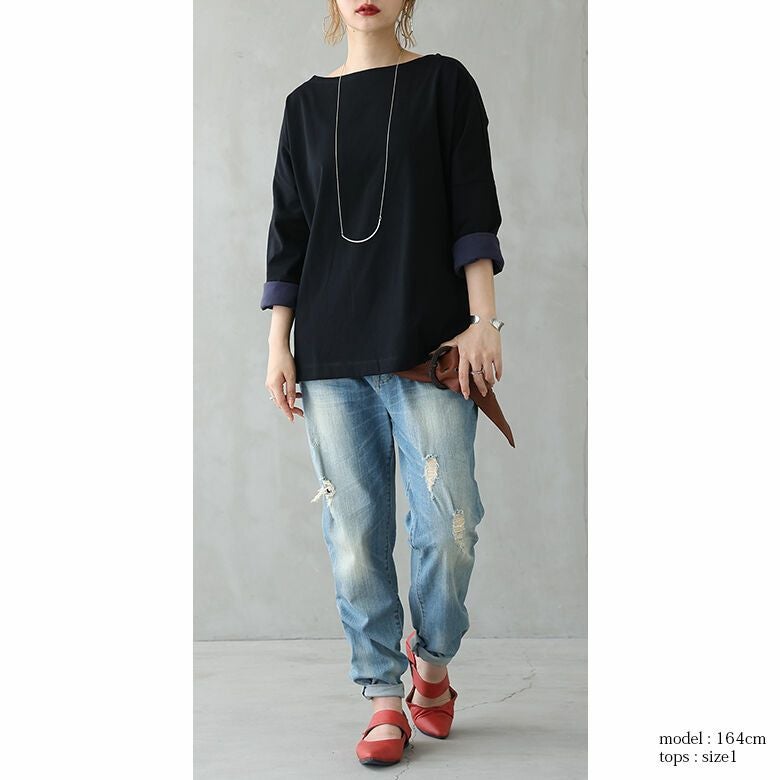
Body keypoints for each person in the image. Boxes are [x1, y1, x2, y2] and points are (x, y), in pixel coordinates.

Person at [261, 0, 506, 767]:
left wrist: (484, 321)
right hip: (329, 355)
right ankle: (382, 696)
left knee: (452, 524)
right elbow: (289, 233)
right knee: (354, 539)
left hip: (430, 347)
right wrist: (277, 344)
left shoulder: (445, 85)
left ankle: (431, 663)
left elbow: (473, 207)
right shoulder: (305, 107)